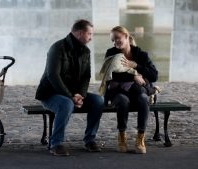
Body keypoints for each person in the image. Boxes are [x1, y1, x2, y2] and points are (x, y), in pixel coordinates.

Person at [35, 19, 104, 156]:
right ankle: (55, 144)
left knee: (98, 101)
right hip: (50, 95)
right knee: (66, 104)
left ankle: (90, 140)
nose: (91, 38)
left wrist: (81, 95)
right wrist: (71, 97)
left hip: (73, 95)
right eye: (89, 34)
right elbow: (53, 76)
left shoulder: (86, 51)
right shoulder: (57, 48)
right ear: (79, 33)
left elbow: (86, 76)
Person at [104, 26, 158, 154]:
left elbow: (154, 75)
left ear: (126, 37)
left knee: (143, 98)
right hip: (118, 92)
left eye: (117, 38)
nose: (115, 42)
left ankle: (140, 137)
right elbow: (112, 75)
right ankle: (122, 135)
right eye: (113, 40)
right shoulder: (111, 54)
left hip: (138, 92)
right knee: (122, 100)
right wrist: (134, 76)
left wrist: (136, 66)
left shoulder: (141, 55)